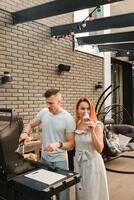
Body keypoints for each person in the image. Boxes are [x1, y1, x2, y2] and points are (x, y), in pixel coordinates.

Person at [19, 88, 75, 200]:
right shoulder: (44, 112)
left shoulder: (68, 118)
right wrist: (25, 132)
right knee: (44, 193)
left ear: (59, 102)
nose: (48, 105)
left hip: (60, 161)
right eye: (46, 102)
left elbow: (71, 144)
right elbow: (30, 124)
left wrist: (58, 144)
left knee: (62, 196)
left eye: (51, 103)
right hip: (44, 159)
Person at [74, 97, 109, 200]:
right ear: (77, 110)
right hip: (79, 163)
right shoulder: (76, 124)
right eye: (82, 108)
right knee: (81, 193)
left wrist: (92, 131)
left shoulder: (97, 125)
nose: (86, 111)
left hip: (93, 164)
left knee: (92, 194)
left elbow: (100, 149)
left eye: (88, 108)